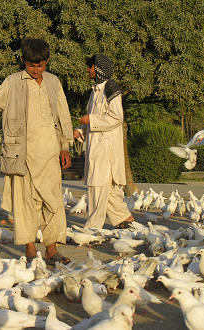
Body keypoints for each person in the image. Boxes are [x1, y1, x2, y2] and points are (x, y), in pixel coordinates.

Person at [0, 38, 73, 264]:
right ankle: (30, 248)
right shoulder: (12, 82)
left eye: (41, 66)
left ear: (47, 62)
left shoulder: (53, 82)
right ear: (23, 61)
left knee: (53, 202)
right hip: (22, 154)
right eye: (32, 66)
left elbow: (63, 115)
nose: (36, 70)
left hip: (50, 153)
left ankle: (52, 249)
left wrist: (65, 146)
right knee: (25, 201)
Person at [74, 54, 134, 229]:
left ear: (98, 69)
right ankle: (124, 219)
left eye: (91, 67)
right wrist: (78, 131)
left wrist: (91, 119)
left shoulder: (111, 89)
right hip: (96, 148)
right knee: (107, 190)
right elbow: (92, 121)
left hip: (105, 151)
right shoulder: (94, 93)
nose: (88, 70)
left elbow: (116, 117)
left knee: (98, 188)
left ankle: (93, 228)